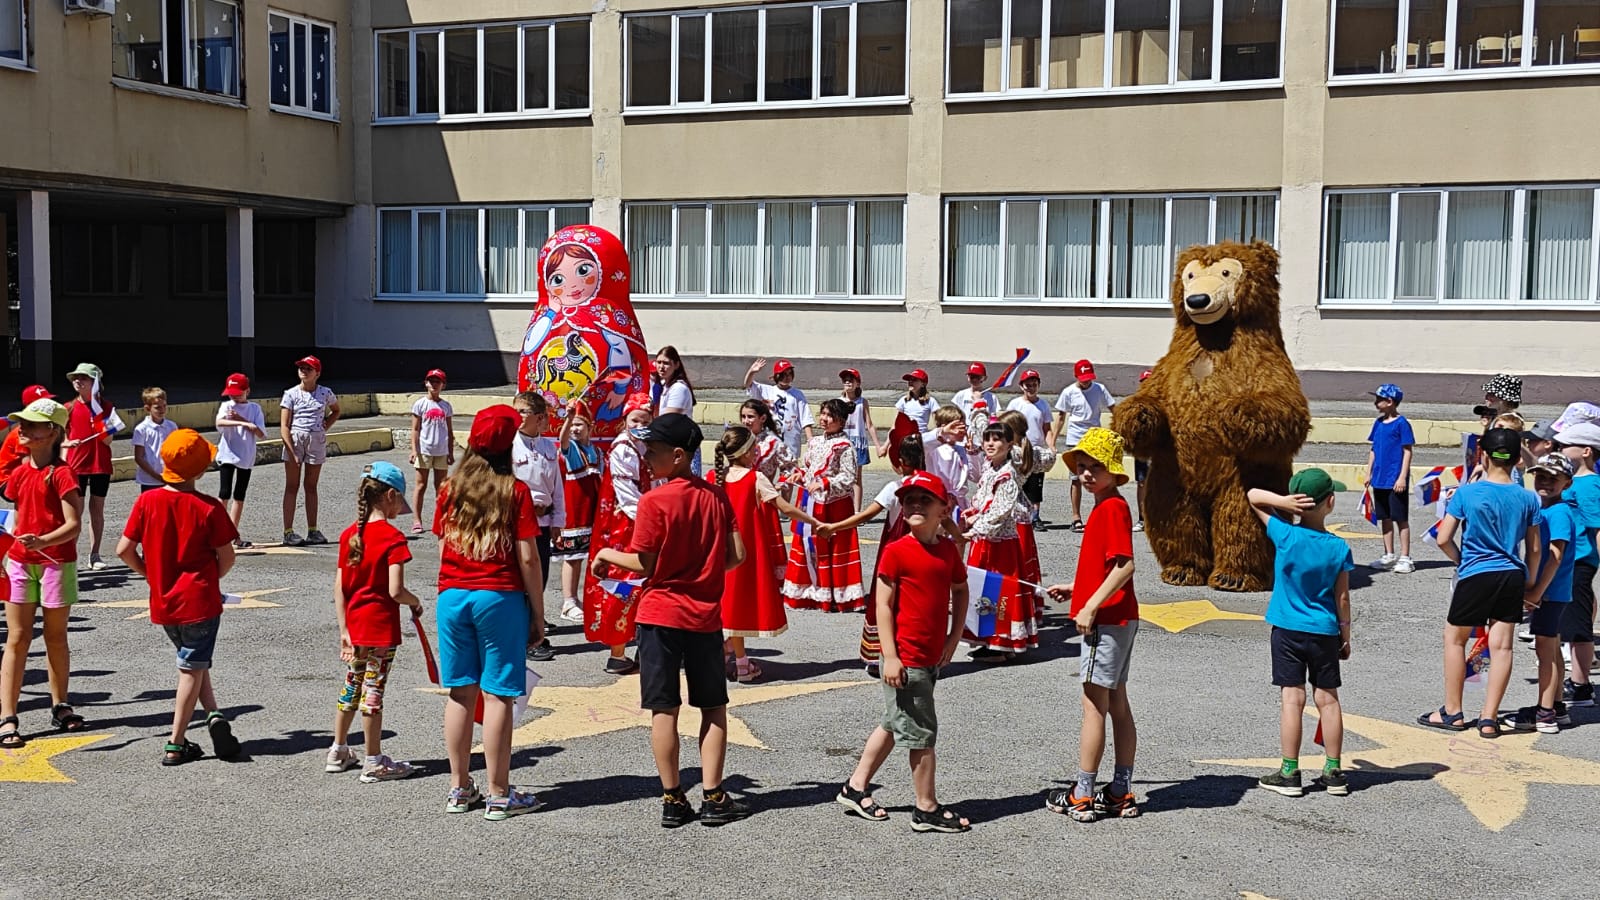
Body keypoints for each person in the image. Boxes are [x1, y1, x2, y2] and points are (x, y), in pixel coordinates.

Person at [590, 413, 751, 828]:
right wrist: (707, 567)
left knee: (664, 709)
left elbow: (644, 563)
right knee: (713, 707)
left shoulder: (654, 501)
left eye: (654, 451)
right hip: (704, 616)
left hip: (660, 615)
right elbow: (737, 556)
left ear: (678, 456)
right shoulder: (717, 497)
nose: (646, 458)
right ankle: (714, 794)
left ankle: (673, 797)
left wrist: (607, 556)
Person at [836, 471, 972, 833]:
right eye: (909, 499)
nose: (914, 505)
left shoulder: (946, 550)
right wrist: (891, 656)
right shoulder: (897, 551)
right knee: (922, 732)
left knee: (895, 721)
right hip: (905, 656)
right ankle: (925, 807)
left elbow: (961, 590)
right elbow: (882, 605)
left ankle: (855, 786)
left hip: (930, 653)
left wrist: (953, 637)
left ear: (944, 509)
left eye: (924, 500)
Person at [434, 405, 546, 820]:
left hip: (453, 595)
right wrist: (538, 612)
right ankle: (499, 792)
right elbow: (528, 558)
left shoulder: (449, 489)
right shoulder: (514, 492)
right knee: (499, 693)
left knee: (460, 692)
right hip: (497, 595)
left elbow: (446, 544)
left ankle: (459, 787)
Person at [116, 429, 241, 766]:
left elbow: (123, 550)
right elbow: (227, 557)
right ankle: (175, 742)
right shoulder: (208, 507)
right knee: (191, 668)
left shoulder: (146, 501)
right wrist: (210, 579)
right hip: (199, 601)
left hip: (165, 602)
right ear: (201, 471)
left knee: (194, 663)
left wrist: (151, 576)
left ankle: (214, 715)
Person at [1419, 428, 1542, 739]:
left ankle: (1453, 710)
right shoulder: (1529, 498)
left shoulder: (1467, 494)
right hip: (1512, 574)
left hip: (1476, 572)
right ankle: (1489, 718)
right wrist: (1529, 578)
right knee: (1502, 646)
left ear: (1483, 456)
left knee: (1455, 639)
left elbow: (1443, 537)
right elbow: (1535, 547)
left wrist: (1461, 560)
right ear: (1517, 461)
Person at [1044, 427, 1139, 822]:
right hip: (1117, 615)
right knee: (1116, 700)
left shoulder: (1111, 508)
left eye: (1094, 467)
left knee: (1093, 706)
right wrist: (1078, 588)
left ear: (1113, 470)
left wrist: (1090, 606)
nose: (1085, 474)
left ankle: (1082, 793)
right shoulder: (1104, 507)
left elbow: (1125, 565)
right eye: (1081, 467)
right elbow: (1106, 565)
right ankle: (1120, 789)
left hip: (1108, 619)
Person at [1245, 470, 1355, 797]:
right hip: (1324, 631)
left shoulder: (1285, 536)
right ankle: (1334, 769)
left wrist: (1281, 502)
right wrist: (1345, 635)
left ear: (1296, 505)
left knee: (1292, 699)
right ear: (1330, 503)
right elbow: (1343, 597)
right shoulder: (1338, 548)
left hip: (1287, 630)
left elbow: (1253, 495)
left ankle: (1290, 772)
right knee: (1328, 699)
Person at [328, 462, 422, 782]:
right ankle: (373, 759)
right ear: (390, 496)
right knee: (373, 691)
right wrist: (416, 601)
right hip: (381, 628)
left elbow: (339, 588)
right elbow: (395, 591)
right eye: (400, 501)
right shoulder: (392, 538)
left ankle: (339, 749)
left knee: (351, 686)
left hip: (354, 628)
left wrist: (343, 629)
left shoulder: (349, 536)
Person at [0, 398, 86, 746]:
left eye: (32, 425)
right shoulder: (19, 471)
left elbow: (74, 524)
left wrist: (43, 541)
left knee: (55, 637)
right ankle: (8, 717)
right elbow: (18, 515)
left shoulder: (62, 474)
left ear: (52, 432)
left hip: (56, 564)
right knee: (17, 639)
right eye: (22, 423)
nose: (23, 429)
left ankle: (60, 704)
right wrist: (10, 549)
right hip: (21, 563)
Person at [713, 427, 821, 682]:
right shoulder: (755, 478)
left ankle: (725, 651)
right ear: (746, 452)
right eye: (753, 448)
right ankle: (741, 664)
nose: (757, 451)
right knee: (738, 604)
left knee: (725, 603)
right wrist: (813, 522)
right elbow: (784, 507)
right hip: (744, 551)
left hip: (719, 549)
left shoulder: (715, 476)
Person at [823, 433, 928, 676]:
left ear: (900, 462)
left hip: (895, 554)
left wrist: (834, 527)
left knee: (885, 602)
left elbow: (866, 515)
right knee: (915, 603)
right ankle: (915, 652)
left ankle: (881, 653)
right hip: (922, 553)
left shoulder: (894, 488)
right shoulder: (929, 484)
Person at [1502, 454, 1577, 734]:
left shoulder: (1558, 512)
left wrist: (1536, 591)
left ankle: (1545, 714)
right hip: (1551, 592)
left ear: (1566, 482)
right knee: (1552, 649)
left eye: (1553, 478)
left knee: (1545, 652)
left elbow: (1555, 556)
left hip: (1550, 593)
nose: (1545, 481)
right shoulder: (1544, 509)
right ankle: (1556, 705)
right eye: (1541, 476)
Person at [584, 394, 656, 675]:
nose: (640, 424)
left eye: (645, 420)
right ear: (625, 420)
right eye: (635, 419)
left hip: (634, 522)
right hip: (622, 526)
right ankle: (617, 651)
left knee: (642, 581)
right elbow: (627, 496)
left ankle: (640, 644)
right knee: (622, 583)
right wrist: (650, 521)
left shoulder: (642, 446)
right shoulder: (623, 449)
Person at [960, 421, 1037, 662]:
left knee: (997, 590)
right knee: (983, 590)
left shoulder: (1007, 474)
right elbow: (983, 499)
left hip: (999, 543)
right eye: (988, 439)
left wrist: (976, 529)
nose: (991, 444)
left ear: (1009, 444)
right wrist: (973, 511)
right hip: (985, 540)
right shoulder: (989, 467)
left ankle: (1001, 643)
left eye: (997, 440)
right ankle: (987, 638)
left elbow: (1001, 510)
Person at [781, 398, 864, 613]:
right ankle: (809, 590)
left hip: (833, 506)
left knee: (831, 547)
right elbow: (809, 470)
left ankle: (833, 593)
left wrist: (825, 483)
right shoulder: (816, 442)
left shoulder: (845, 446)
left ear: (841, 421)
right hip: (810, 503)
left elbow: (848, 477)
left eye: (830, 416)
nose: (824, 419)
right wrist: (799, 476)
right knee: (807, 544)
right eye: (823, 414)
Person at [513, 391, 573, 663]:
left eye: (524, 411)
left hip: (543, 522)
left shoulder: (548, 448)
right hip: (519, 523)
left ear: (539, 418)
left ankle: (533, 626)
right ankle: (528, 638)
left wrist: (558, 521)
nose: (518, 416)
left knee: (540, 579)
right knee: (523, 580)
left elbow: (557, 487)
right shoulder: (511, 446)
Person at [1557, 422, 1600, 708]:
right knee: (1571, 625)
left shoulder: (1589, 485)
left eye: (1565, 446)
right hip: (1571, 561)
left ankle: (1582, 685)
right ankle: (1578, 678)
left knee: (1579, 627)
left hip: (1581, 560)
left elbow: (1597, 527)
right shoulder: (1575, 481)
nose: (1560, 449)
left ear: (1585, 451)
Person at [62, 362, 119, 570]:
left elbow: (108, 441)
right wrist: (65, 449)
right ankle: (69, 557)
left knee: (97, 510)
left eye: (83, 378)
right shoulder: (68, 408)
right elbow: (60, 438)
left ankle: (94, 555)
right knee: (74, 513)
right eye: (75, 378)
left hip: (100, 465)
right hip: (75, 466)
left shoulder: (106, 407)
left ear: (95, 383)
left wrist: (100, 423)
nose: (78, 381)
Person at [1048, 360, 1116, 533]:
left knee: (1096, 476)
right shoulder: (1069, 392)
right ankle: (1076, 517)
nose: (1086, 382)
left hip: (1094, 437)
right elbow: (1061, 417)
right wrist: (1053, 441)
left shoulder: (1099, 389)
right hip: (1075, 438)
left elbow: (1114, 408)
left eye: (1089, 378)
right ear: (1076, 376)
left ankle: (1097, 514)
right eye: (1083, 378)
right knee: (1076, 479)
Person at [281, 355, 341, 546]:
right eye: (301, 368)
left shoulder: (325, 393)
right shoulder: (290, 394)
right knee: (292, 486)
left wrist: (325, 426)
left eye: (308, 368)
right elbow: (284, 425)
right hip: (296, 439)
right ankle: (288, 531)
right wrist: (291, 451)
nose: (304, 371)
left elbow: (336, 410)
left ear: (317, 373)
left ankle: (313, 530)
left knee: (311, 486)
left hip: (316, 439)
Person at [553, 401, 603, 627]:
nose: (575, 429)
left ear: (590, 427)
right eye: (572, 425)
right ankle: (568, 601)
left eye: (579, 424)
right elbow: (562, 442)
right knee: (571, 559)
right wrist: (567, 419)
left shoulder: (597, 452)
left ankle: (582, 599)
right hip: (573, 512)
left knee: (586, 558)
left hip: (590, 512)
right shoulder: (571, 449)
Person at [1363, 383, 1416, 574]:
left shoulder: (1402, 424)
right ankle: (1389, 554)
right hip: (1379, 479)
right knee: (1384, 517)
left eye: (1379, 399)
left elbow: (1407, 451)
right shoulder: (1378, 423)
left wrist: (1402, 477)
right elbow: (1374, 450)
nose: (1376, 403)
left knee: (1400, 518)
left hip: (1395, 480)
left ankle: (1405, 557)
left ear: (1390, 401)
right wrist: (1368, 473)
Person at [215, 373, 267, 548]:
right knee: (224, 492)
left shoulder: (254, 409)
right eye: (232, 393)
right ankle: (218, 531)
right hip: (227, 453)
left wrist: (243, 420)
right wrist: (241, 423)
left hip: (245, 455)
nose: (235, 396)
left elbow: (260, 432)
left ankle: (233, 533)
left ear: (247, 391)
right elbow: (219, 422)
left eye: (238, 393)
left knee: (239, 495)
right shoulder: (226, 406)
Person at [410, 369, 455, 535]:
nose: (434, 384)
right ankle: (417, 520)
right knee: (421, 485)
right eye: (432, 381)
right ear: (426, 383)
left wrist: (450, 452)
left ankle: (441, 519)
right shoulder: (420, 404)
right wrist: (414, 450)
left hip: (441, 451)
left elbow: (449, 431)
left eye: (438, 381)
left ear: (443, 385)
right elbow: (415, 429)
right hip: (424, 451)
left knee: (441, 487)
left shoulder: (446, 406)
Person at [1005, 370, 1052, 525]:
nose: (1031, 388)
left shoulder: (1043, 405)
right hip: (1019, 450)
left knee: (1035, 484)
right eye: (1028, 385)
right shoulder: (1015, 404)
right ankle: (1015, 514)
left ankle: (1035, 515)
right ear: (1021, 386)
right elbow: (1008, 425)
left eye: (1034, 385)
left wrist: (1051, 446)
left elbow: (1047, 429)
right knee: (1017, 482)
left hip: (1036, 450)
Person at [744, 358, 814, 458]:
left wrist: (810, 440)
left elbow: (805, 418)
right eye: (783, 374)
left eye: (789, 374)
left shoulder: (797, 394)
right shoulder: (767, 390)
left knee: (789, 469)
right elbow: (748, 385)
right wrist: (751, 372)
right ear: (776, 376)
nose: (787, 377)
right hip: (769, 440)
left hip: (791, 441)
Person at [653, 346, 700, 475]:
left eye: (666, 363)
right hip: (668, 443)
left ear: (676, 365)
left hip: (681, 447)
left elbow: (669, 420)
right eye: (659, 362)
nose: (661, 367)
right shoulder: (662, 386)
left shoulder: (679, 388)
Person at [922, 406, 974, 514]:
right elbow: (920, 442)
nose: (963, 431)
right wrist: (942, 432)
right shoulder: (933, 448)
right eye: (958, 427)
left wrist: (973, 454)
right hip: (937, 501)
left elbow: (975, 476)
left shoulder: (961, 449)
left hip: (958, 504)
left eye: (964, 426)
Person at [839, 368, 878, 509]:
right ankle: (842, 508)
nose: (847, 382)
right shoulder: (838, 402)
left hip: (857, 442)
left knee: (856, 478)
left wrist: (878, 446)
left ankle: (856, 511)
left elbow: (869, 424)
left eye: (851, 379)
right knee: (840, 475)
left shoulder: (862, 402)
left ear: (858, 383)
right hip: (842, 441)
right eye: (845, 379)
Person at [131, 387, 179, 494]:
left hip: (169, 477)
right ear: (148, 409)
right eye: (157, 407)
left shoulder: (172, 426)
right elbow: (139, 457)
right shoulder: (141, 429)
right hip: (149, 481)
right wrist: (157, 476)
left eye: (164, 406)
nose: (162, 410)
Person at [741, 398, 795, 486]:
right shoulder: (738, 439)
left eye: (750, 417)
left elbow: (789, 467)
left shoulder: (773, 442)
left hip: (761, 495)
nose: (745, 421)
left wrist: (779, 485)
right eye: (743, 416)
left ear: (763, 418)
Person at [951, 362, 997, 440]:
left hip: (982, 432)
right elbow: (954, 414)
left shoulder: (991, 397)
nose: (974, 379)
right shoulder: (961, 395)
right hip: (963, 432)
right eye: (972, 377)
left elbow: (994, 416)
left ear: (984, 378)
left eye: (978, 377)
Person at [893, 369, 940, 434]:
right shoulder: (904, 400)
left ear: (923, 384)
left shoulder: (930, 401)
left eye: (914, 380)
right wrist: (886, 444)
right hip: (906, 438)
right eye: (909, 380)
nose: (910, 382)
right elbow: (896, 425)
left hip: (921, 437)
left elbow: (937, 423)